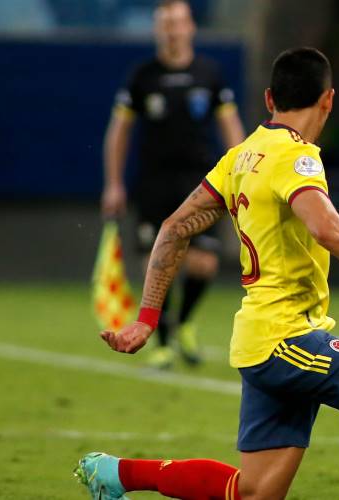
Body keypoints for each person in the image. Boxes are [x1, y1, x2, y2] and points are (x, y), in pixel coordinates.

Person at [76, 47, 339, 500]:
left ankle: (117, 474)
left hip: (261, 342)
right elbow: (326, 227)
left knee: (255, 492)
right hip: (286, 342)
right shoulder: (296, 157)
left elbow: (173, 228)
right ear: (329, 100)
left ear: (270, 98)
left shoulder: (241, 155)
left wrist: (147, 320)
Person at [100, 0, 245, 369]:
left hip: (201, 181)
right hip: (155, 182)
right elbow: (119, 132)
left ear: (191, 27)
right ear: (157, 30)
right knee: (159, 260)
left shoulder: (210, 74)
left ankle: (184, 323)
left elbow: (231, 127)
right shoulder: (142, 76)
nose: (172, 30)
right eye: (165, 24)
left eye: (178, 23)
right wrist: (113, 183)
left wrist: (244, 173)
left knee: (203, 263)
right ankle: (162, 341)